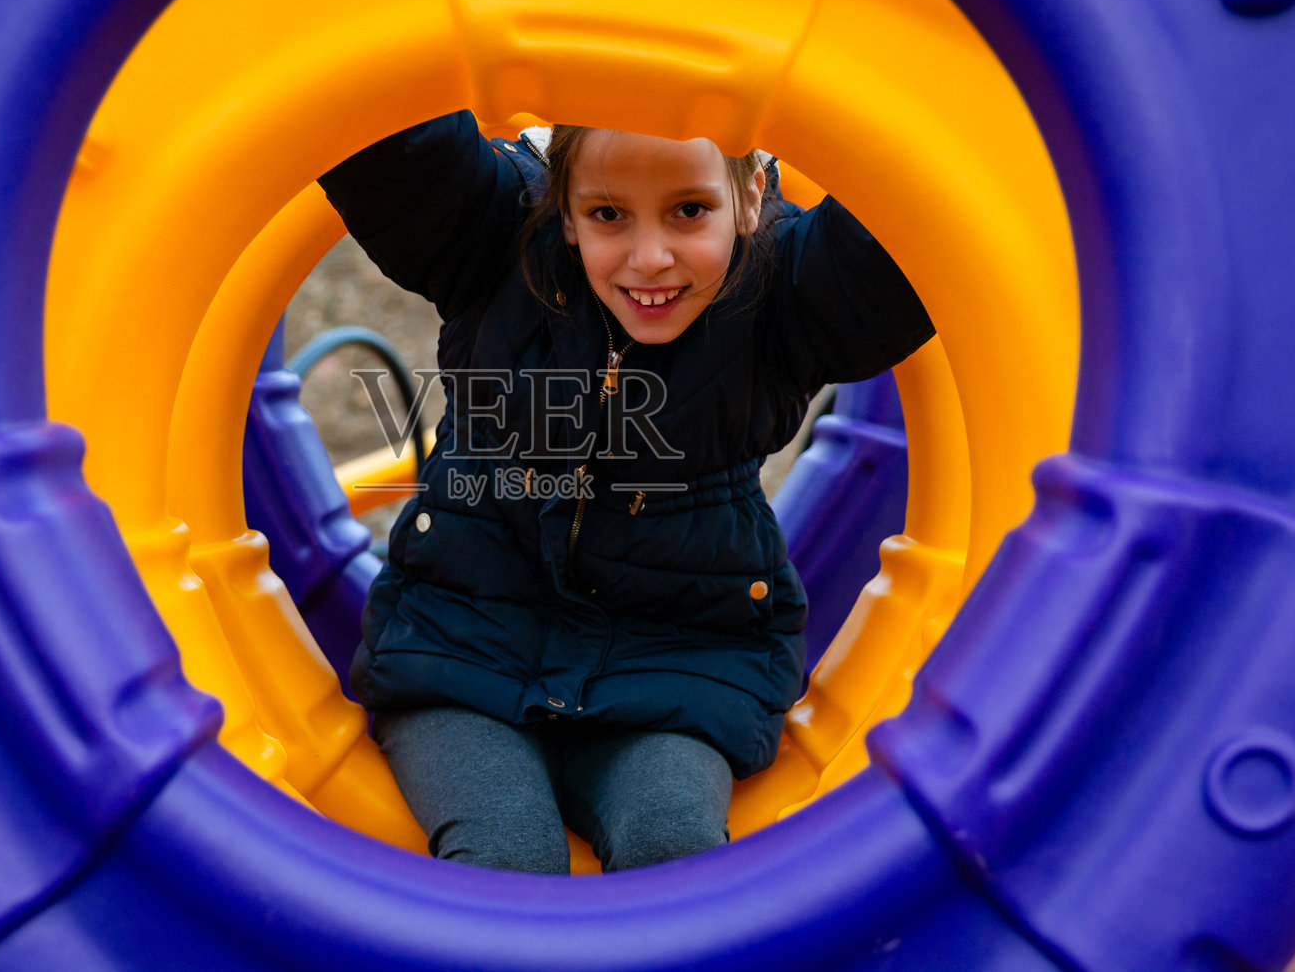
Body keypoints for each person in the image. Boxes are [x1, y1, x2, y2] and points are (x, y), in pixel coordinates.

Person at [318, 110, 933, 874]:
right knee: (507, 857)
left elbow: (921, 217)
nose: (651, 258)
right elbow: (389, 138)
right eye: (609, 213)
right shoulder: (495, 239)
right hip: (463, 655)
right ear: (564, 206)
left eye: (689, 211)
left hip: (676, 667)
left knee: (672, 846)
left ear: (750, 197)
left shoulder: (779, 298)